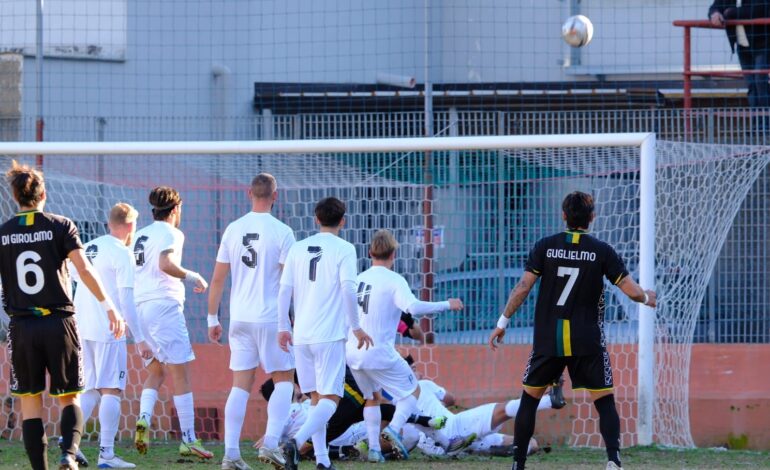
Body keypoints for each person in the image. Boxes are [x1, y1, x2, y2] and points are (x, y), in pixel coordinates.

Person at [488, 191, 657, 470]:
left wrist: (502, 323)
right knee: (604, 400)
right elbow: (629, 289)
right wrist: (646, 298)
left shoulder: (545, 246)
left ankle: (518, 464)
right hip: (587, 340)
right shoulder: (602, 251)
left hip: (548, 339)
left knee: (529, 399)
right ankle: (614, 461)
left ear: (563, 215)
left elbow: (523, 288)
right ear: (592, 217)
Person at [0, 161, 125, 470]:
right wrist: (109, 306)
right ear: (44, 193)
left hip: (21, 326)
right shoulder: (61, 225)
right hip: (59, 322)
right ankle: (68, 454)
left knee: (30, 402)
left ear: (14, 195)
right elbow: (84, 269)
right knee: (69, 396)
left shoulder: (3, 233)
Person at [345, 229, 463, 462]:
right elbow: (413, 307)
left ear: (370, 253)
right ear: (393, 255)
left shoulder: (358, 279)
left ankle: (376, 452)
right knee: (413, 392)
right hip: (378, 352)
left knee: (372, 397)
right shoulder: (394, 280)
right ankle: (392, 429)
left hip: (353, 353)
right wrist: (446, 304)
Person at [207, 173, 296, 470]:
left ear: (248, 193)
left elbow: (218, 279)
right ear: (275, 195)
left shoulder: (233, 229)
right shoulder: (283, 231)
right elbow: (286, 284)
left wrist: (212, 318)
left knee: (240, 385)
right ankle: (271, 442)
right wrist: (287, 323)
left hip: (240, 318)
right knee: (285, 378)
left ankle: (231, 454)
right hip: (271, 317)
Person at [277, 196, 373, 470]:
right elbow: (348, 288)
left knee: (316, 399)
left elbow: (284, 290)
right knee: (331, 399)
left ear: (316, 219)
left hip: (302, 335)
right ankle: (296, 443)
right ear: (342, 221)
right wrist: (356, 326)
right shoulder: (344, 248)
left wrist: (283, 327)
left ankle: (322, 460)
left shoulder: (298, 248)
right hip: (329, 335)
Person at [131, 186, 213, 459]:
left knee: (156, 370)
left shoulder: (139, 235)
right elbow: (165, 263)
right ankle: (189, 439)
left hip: (141, 307)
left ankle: (143, 418)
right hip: (163, 307)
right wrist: (193, 276)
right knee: (180, 374)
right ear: (176, 209)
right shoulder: (171, 233)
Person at [70, 203, 152, 469]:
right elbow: (126, 300)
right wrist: (139, 337)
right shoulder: (122, 252)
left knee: (92, 387)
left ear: (109, 223)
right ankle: (106, 455)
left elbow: (71, 276)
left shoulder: (88, 246)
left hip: (81, 325)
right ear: (130, 226)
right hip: (109, 328)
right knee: (112, 389)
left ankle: (70, 442)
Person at [709, 1, 770, 110]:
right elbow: (715, 7)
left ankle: (765, 124)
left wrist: (729, 12)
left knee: (760, 83)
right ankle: (756, 123)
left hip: (763, 45)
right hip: (742, 47)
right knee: (751, 85)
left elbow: (759, 10)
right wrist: (715, 14)